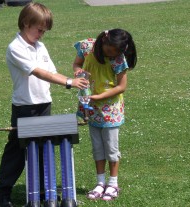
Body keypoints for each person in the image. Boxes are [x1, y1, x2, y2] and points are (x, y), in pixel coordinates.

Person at [0, 3, 88, 207]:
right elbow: (38, 72)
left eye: (44, 31)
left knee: (44, 147)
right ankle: (2, 192)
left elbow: (52, 72)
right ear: (27, 23)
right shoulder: (15, 48)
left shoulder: (40, 47)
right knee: (17, 151)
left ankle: (44, 193)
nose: (42, 34)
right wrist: (69, 83)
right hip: (25, 107)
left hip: (44, 104)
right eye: (40, 30)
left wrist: (73, 78)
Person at [72, 29, 137, 201]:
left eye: (115, 53)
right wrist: (78, 72)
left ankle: (113, 184)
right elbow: (77, 64)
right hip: (91, 107)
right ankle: (100, 183)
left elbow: (121, 86)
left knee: (111, 149)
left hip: (110, 110)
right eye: (109, 51)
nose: (111, 55)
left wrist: (98, 97)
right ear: (103, 42)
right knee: (98, 148)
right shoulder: (86, 47)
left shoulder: (118, 59)